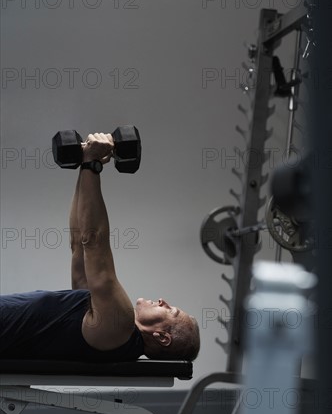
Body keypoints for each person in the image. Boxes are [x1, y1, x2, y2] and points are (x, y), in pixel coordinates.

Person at [0, 133, 200, 362]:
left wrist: (92, 164)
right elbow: (80, 244)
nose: (164, 300)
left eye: (170, 311)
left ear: (162, 337)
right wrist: (84, 167)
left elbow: (94, 242)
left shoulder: (118, 326)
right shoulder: (105, 324)